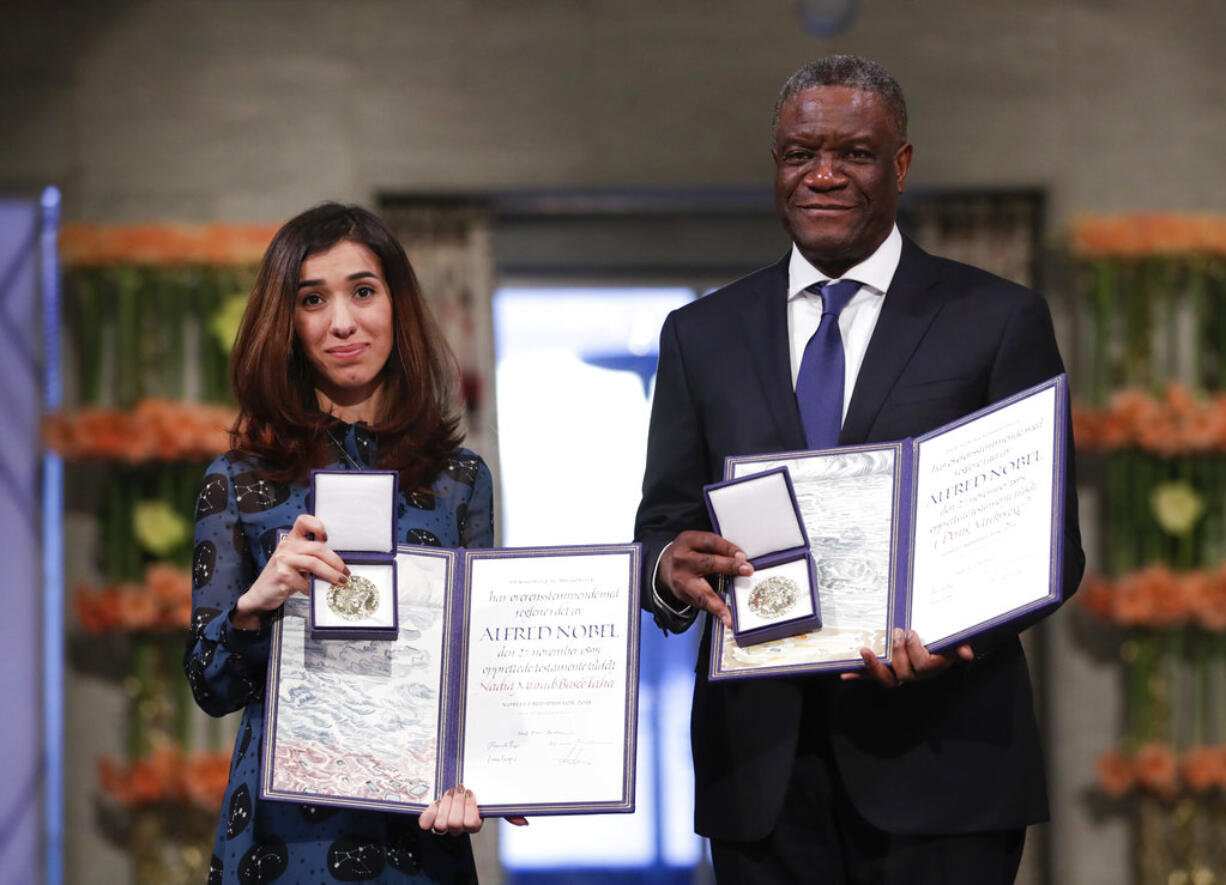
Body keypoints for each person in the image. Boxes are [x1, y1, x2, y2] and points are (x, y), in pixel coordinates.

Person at [634, 56, 1084, 884]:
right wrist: (668, 569)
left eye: (857, 153)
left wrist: (956, 637)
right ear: (776, 164)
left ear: (902, 164)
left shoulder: (997, 320)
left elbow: (1051, 545)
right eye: (802, 153)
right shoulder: (700, 334)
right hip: (761, 775)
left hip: (944, 765)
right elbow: (659, 531)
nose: (826, 174)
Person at [184, 203, 518, 883]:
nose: (342, 321)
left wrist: (488, 772)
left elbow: (479, 672)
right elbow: (210, 685)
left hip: (419, 839)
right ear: (287, 323)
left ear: (397, 304)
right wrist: (256, 603)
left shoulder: (460, 481)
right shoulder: (239, 480)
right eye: (313, 299)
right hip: (281, 845)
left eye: (363, 291)